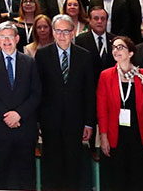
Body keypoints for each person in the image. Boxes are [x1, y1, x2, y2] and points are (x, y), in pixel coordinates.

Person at [37, 13, 95, 191]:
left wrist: (89, 123)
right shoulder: (42, 55)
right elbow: (38, 90)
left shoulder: (84, 56)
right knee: (52, 168)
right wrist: (39, 121)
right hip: (50, 122)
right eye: (58, 31)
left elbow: (89, 92)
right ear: (53, 33)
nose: (62, 35)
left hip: (76, 122)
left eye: (66, 31)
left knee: (73, 167)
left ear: (73, 33)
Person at [0, 21, 40, 189]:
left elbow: (36, 94)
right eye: (2, 37)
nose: (7, 40)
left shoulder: (29, 62)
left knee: (24, 178)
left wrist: (18, 114)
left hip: (24, 128)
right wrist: (6, 115)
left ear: (17, 38)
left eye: (10, 37)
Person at [95, 35, 143, 191]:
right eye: (114, 47)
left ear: (130, 53)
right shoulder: (106, 75)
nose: (116, 50)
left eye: (120, 47)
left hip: (138, 134)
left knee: (138, 179)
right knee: (116, 179)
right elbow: (102, 109)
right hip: (115, 135)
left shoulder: (142, 75)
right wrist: (103, 136)